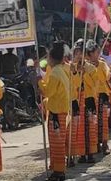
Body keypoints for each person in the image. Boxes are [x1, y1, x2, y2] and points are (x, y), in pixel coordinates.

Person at [38, 42, 70, 181]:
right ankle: (58, 169)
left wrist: (39, 81)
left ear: (52, 58)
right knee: (57, 142)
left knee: (57, 143)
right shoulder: (60, 71)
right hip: (60, 111)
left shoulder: (56, 73)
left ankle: (59, 171)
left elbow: (48, 92)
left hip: (57, 112)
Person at [94, 45, 111, 156]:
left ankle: (105, 144)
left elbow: (107, 77)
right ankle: (94, 144)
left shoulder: (102, 63)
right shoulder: (85, 65)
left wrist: (98, 65)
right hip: (91, 95)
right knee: (93, 122)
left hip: (102, 94)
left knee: (103, 121)